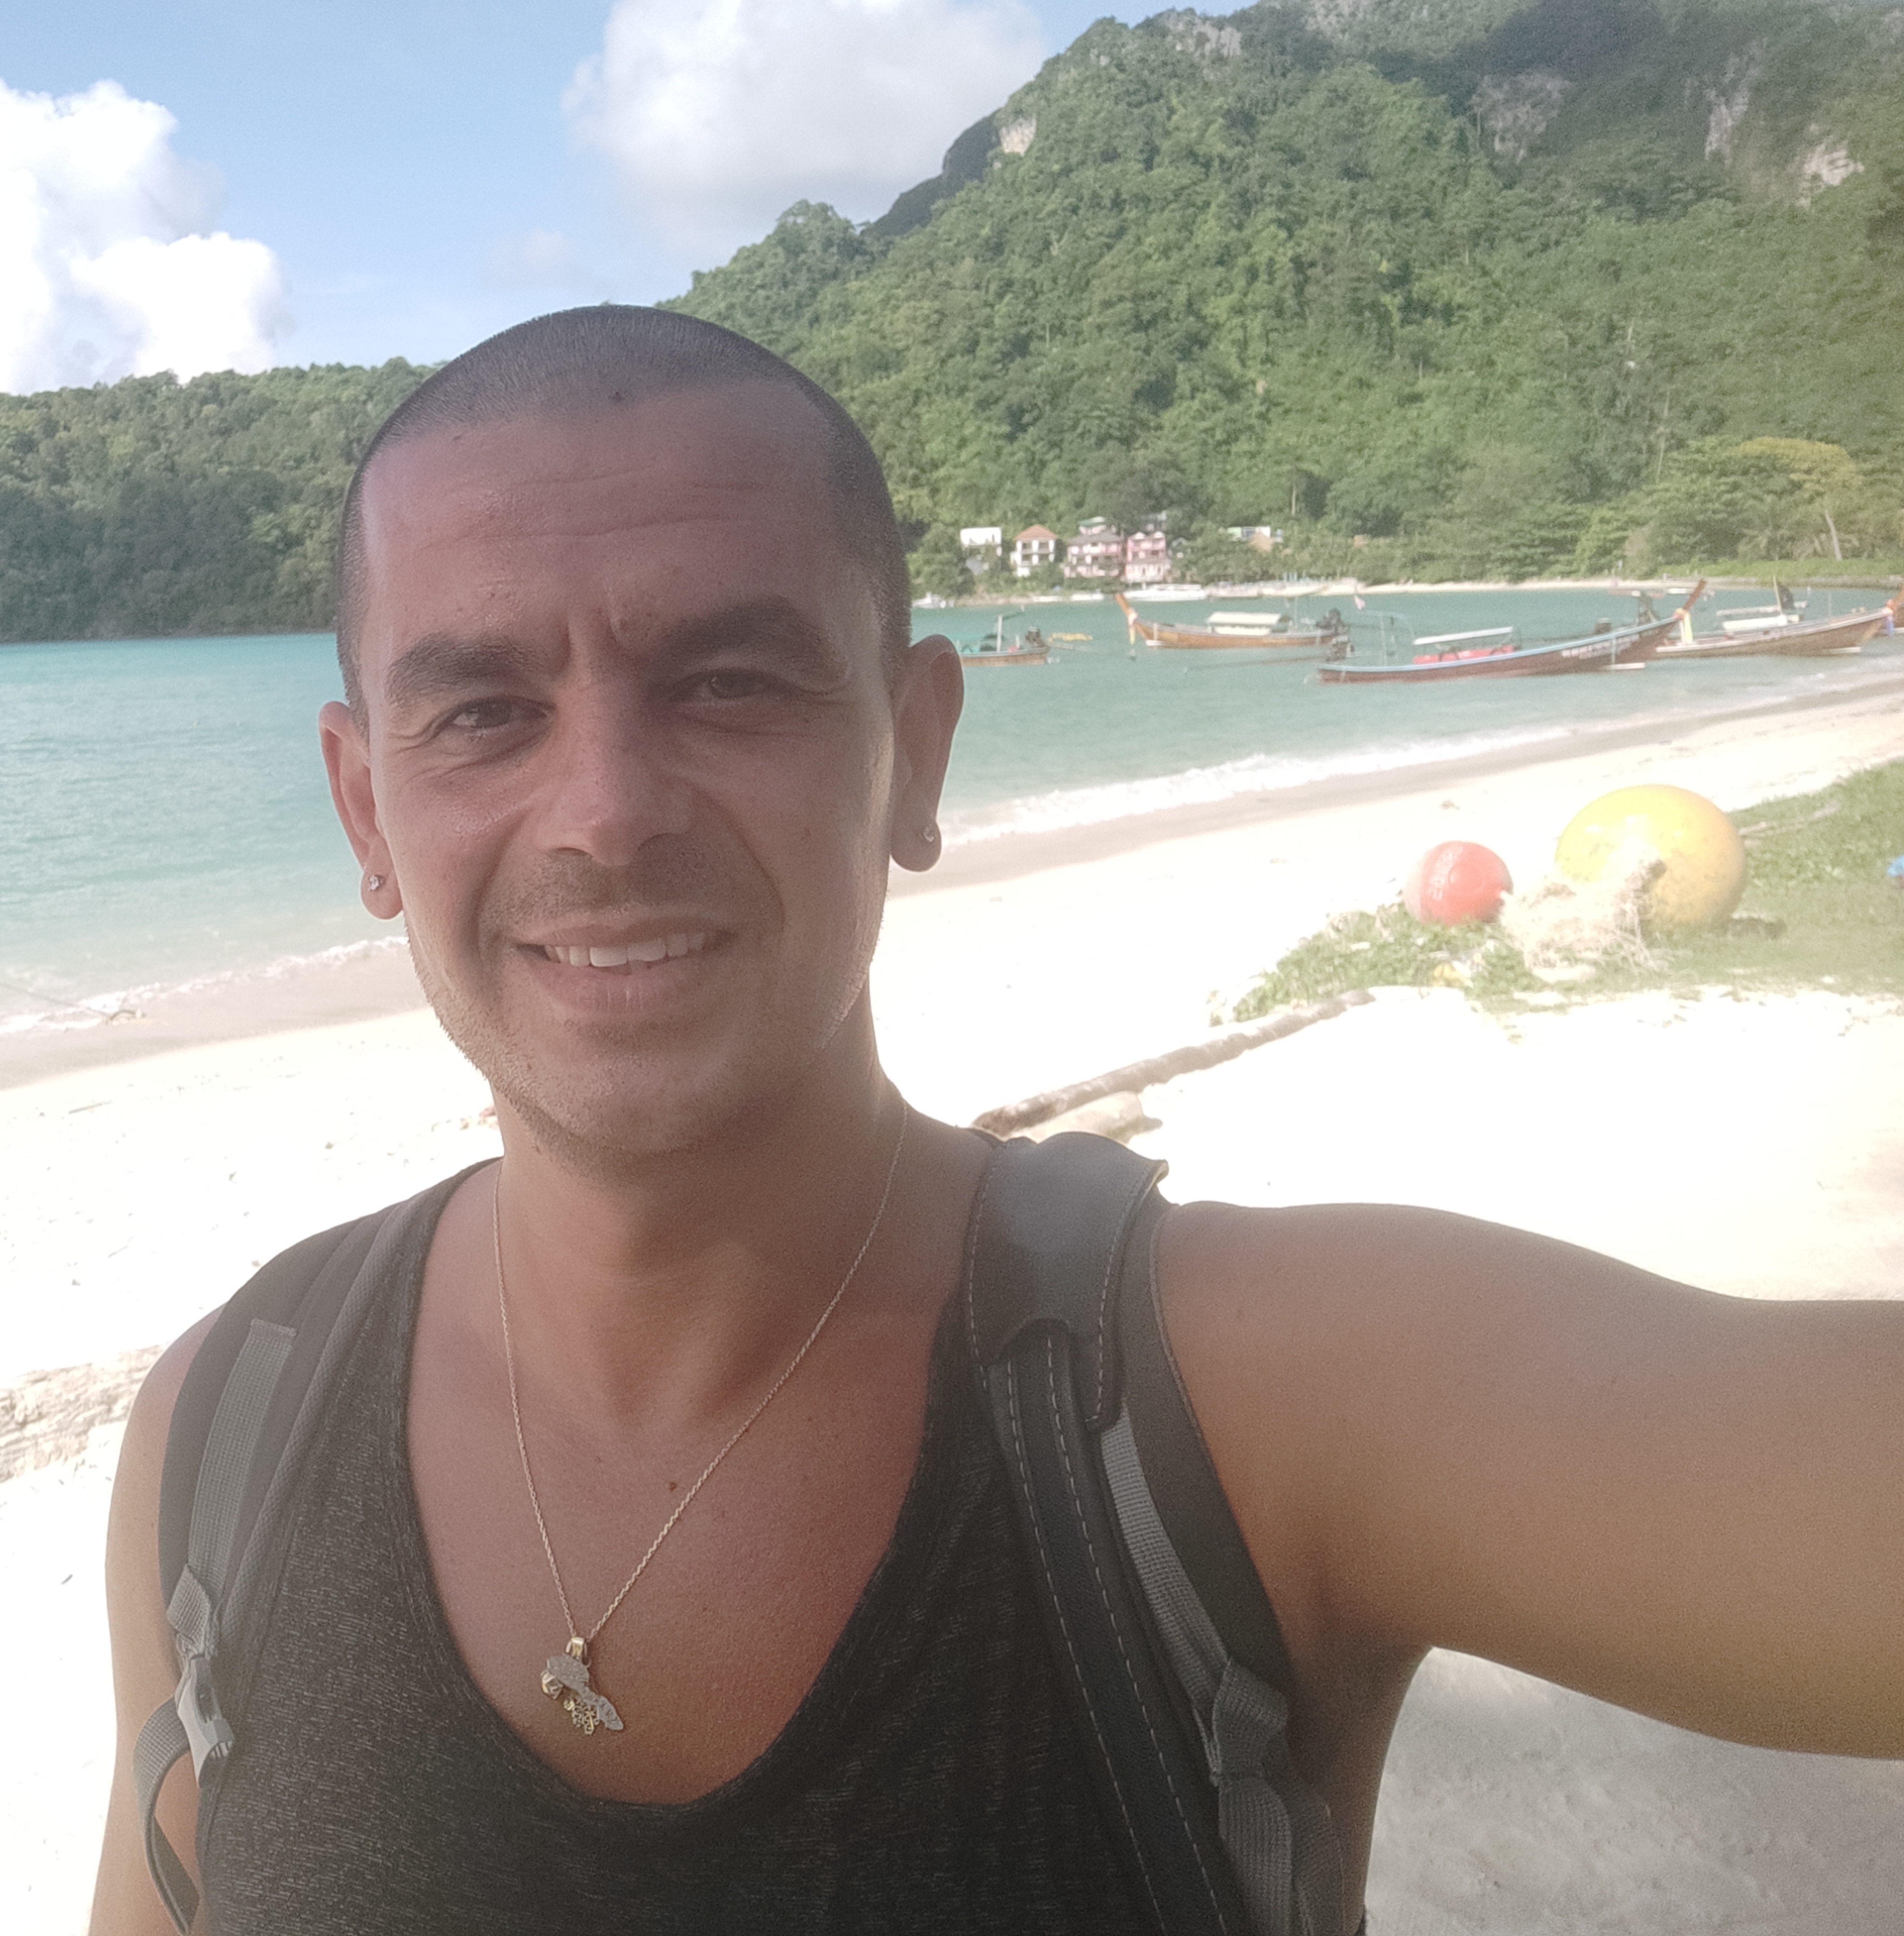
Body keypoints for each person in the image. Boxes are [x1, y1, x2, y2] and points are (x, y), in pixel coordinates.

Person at [91, 307, 1904, 1933]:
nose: (606, 812)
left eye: (727, 684)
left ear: (917, 749)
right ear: (365, 811)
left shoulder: (1234, 1405)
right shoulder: (226, 1437)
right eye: (486, 713)